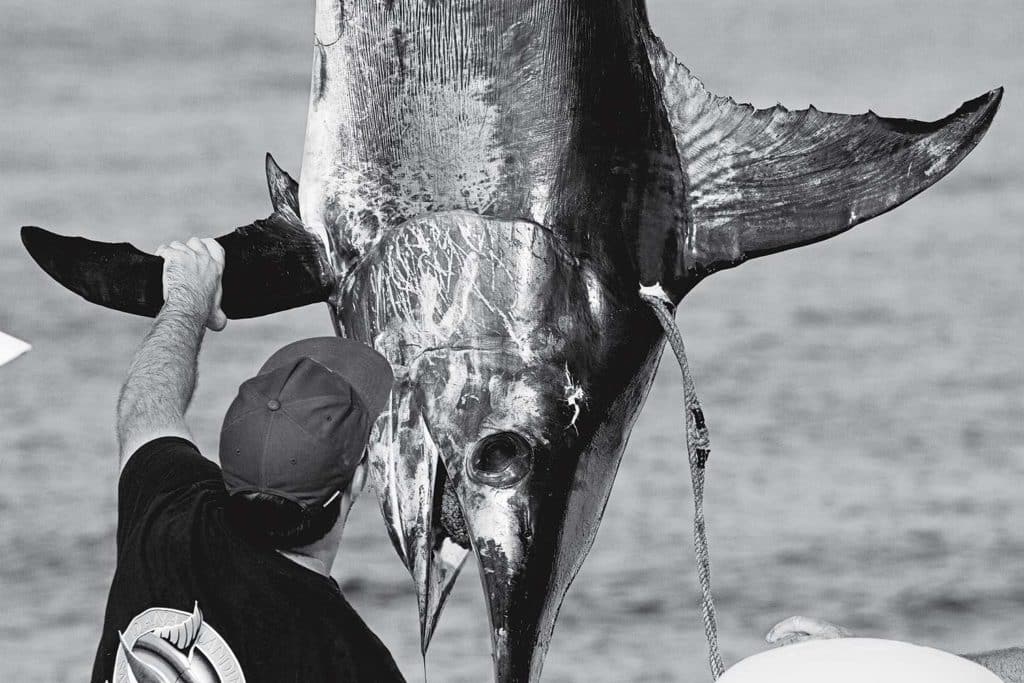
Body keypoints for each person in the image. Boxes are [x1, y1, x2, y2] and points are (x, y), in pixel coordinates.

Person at [90, 237, 405, 683]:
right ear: (359, 479)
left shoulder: (169, 517)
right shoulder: (351, 660)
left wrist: (187, 302)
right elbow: (145, 409)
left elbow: (146, 406)